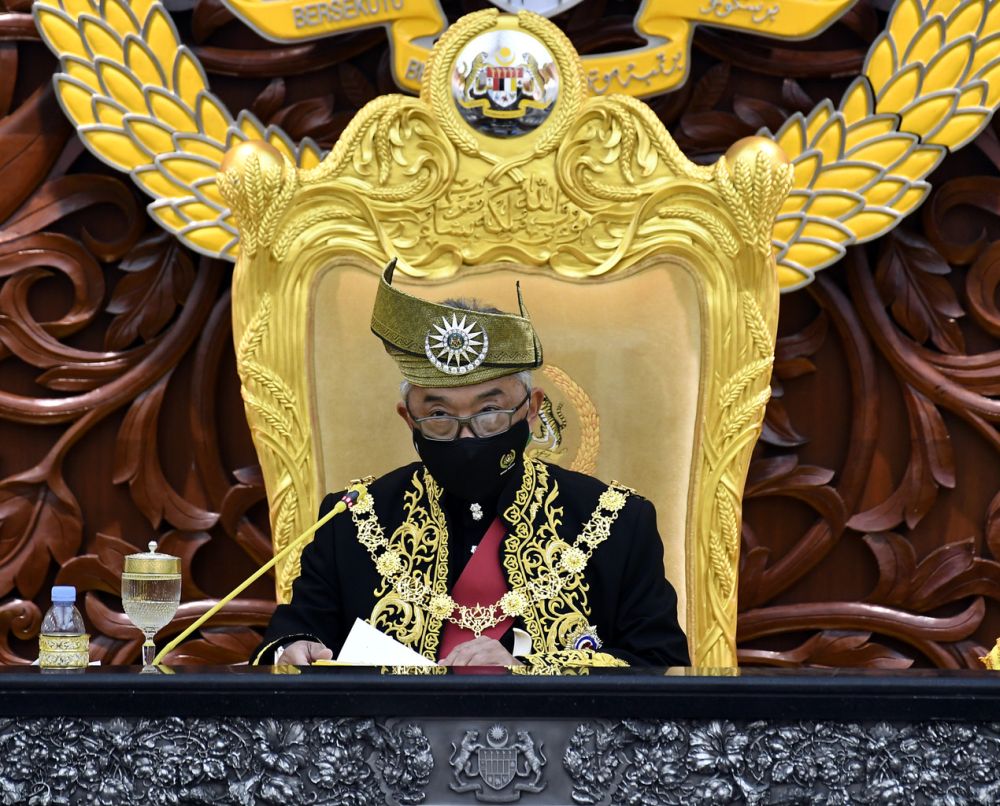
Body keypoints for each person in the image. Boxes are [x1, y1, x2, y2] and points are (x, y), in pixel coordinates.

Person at [253, 259, 689, 668]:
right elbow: (290, 635)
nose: (467, 435)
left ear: (532, 408)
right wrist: (292, 651)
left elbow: (662, 666)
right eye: (440, 416)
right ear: (409, 418)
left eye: (489, 412)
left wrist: (528, 671)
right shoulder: (352, 519)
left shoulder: (616, 522)